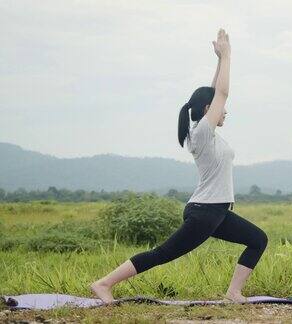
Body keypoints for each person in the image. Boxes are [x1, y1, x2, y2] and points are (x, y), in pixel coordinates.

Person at [90, 28, 268, 304]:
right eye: (220, 108)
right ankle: (103, 283)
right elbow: (221, 92)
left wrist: (219, 59)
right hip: (204, 212)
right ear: (209, 108)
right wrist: (229, 55)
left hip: (218, 210)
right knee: (162, 254)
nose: (225, 111)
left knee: (258, 239)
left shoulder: (206, 132)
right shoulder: (201, 134)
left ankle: (234, 292)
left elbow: (214, 91)